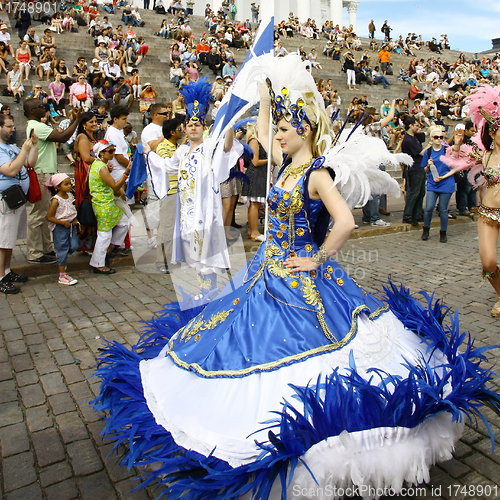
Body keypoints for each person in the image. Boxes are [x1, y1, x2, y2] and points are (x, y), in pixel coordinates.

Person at [94, 54, 500, 498]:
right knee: (229, 333)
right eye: (278, 132)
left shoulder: (315, 172)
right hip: (266, 268)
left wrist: (317, 259)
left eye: (285, 131)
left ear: (302, 130)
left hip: (298, 274)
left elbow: (344, 222)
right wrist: (268, 92)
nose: (275, 139)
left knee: (300, 346)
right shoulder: (284, 165)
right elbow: (265, 132)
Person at [144, 78, 242, 289]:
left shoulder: (209, 148)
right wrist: (148, 155)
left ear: (203, 126)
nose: (193, 128)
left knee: (206, 254)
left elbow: (226, 147)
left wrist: (229, 123)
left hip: (205, 209)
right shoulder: (181, 151)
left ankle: (210, 293)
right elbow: (166, 166)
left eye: (197, 124)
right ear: (185, 128)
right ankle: (201, 293)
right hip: (186, 210)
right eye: (189, 124)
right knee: (193, 254)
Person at [24, 100, 82, 263]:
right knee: (38, 214)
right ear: (31, 111)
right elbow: (63, 137)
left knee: (44, 214)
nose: (45, 109)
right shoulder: (37, 126)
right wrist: (77, 120)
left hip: (46, 172)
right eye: (40, 107)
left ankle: (46, 248)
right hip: (42, 173)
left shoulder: (38, 125)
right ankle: (35, 252)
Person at [0, 115, 38, 294]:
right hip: (5, 200)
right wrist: (24, 149)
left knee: (9, 240)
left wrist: (34, 145)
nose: (12, 129)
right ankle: (0, 276)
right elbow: (10, 170)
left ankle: (6, 271)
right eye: (9, 126)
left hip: (16, 199)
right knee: (2, 241)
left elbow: (30, 163)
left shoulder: (11, 147)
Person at [88, 140, 130, 274]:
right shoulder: (101, 167)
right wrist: (126, 173)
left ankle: (109, 248)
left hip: (107, 202)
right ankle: (98, 264)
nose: (113, 153)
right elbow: (115, 186)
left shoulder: (97, 164)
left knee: (124, 223)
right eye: (110, 151)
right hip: (103, 204)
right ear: (101, 153)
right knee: (104, 235)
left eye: (113, 150)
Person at [154, 118, 183, 273]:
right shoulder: (163, 147)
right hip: (169, 191)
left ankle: (173, 258)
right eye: (179, 128)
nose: (182, 130)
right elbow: (169, 165)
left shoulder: (178, 145)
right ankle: (161, 261)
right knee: (167, 226)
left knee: (177, 227)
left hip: (180, 190)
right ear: (171, 132)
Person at [421, 125, 458, 243]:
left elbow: (455, 168)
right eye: (436, 137)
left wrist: (444, 177)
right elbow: (425, 170)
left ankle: (443, 232)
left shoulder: (448, 150)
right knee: (429, 208)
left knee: (443, 209)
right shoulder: (428, 151)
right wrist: (428, 165)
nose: (438, 139)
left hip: (446, 182)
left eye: (441, 137)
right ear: (431, 138)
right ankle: (426, 229)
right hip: (433, 183)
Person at [45, 174, 80, 285]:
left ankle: (62, 259)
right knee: (62, 248)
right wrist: (62, 222)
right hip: (60, 227)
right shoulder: (56, 200)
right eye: (66, 184)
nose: (69, 186)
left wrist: (74, 219)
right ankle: (62, 274)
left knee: (74, 245)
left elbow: (70, 209)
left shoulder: (69, 196)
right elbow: (49, 217)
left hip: (69, 226)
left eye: (70, 183)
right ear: (58, 186)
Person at [241, 122, 267, 242]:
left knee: (254, 204)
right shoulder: (254, 141)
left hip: (258, 175)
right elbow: (255, 162)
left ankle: (252, 230)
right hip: (255, 175)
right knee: (255, 204)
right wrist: (269, 159)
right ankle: (254, 232)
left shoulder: (254, 140)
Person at [402, 116, 426, 226]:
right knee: (414, 193)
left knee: (421, 193)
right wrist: (431, 143)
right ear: (410, 126)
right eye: (416, 125)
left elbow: (425, 134)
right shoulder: (408, 140)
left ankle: (417, 214)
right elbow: (420, 152)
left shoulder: (414, 136)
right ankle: (408, 215)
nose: (418, 127)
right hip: (414, 168)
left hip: (420, 167)